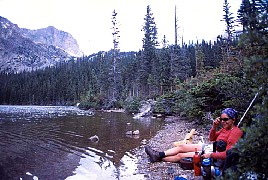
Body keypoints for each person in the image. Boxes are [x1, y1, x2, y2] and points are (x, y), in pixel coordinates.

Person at [145, 108, 243, 163]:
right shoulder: (225, 129)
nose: (222, 121)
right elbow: (212, 138)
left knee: (181, 156)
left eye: (225, 119)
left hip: (215, 156)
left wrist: (210, 155)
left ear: (233, 119)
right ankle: (158, 154)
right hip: (212, 148)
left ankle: (158, 159)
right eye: (221, 119)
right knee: (181, 146)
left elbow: (227, 155)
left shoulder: (235, 133)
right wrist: (214, 126)